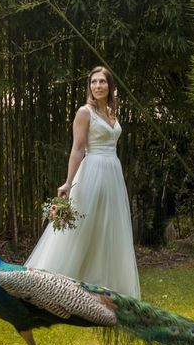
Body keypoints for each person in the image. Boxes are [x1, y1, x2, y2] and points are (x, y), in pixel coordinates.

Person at [25, 66, 141, 299]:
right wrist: (68, 183)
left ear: (110, 86)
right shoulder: (84, 112)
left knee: (108, 225)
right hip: (92, 170)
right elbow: (77, 149)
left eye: (102, 82)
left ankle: (104, 283)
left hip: (113, 172)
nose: (97, 86)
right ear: (89, 86)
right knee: (82, 225)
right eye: (93, 82)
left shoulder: (112, 113)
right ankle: (52, 280)